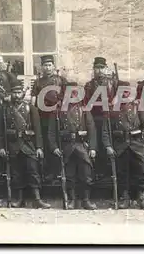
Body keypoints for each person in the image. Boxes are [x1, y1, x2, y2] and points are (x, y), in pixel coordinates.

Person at [102, 82, 144, 210]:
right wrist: (108, 146)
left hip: (137, 144)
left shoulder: (137, 107)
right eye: (122, 91)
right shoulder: (112, 109)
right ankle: (125, 199)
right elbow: (105, 130)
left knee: (141, 172)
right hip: (120, 145)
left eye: (127, 91)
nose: (125, 94)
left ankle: (141, 198)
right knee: (122, 173)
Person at [0, 83, 51, 209]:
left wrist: (39, 147)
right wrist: (1, 146)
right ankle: (19, 199)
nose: (17, 95)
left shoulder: (31, 108)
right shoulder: (5, 110)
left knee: (33, 171)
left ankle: (37, 199)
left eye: (19, 92)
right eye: (14, 93)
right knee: (16, 173)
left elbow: (38, 130)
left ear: (23, 93)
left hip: (29, 145)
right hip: (13, 145)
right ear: (11, 94)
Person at [48, 82, 98, 210]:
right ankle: (71, 200)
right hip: (66, 146)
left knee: (86, 174)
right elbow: (52, 131)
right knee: (69, 176)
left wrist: (92, 147)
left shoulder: (84, 109)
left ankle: (86, 200)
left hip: (82, 146)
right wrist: (54, 147)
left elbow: (91, 129)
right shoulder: (58, 110)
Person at [31, 55, 68, 182]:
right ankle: (49, 172)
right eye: (45, 65)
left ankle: (60, 171)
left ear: (53, 66)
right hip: (43, 117)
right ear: (42, 67)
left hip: (58, 116)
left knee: (58, 142)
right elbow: (34, 99)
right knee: (47, 143)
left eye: (49, 65)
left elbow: (67, 98)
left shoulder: (61, 80)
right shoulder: (38, 82)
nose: (47, 67)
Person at [84, 57, 114, 180]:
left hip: (109, 118)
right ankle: (96, 171)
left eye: (102, 68)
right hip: (94, 118)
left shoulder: (112, 83)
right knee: (95, 144)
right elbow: (86, 103)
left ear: (105, 69)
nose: (99, 70)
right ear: (94, 69)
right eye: (97, 68)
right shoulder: (89, 85)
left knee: (108, 143)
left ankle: (109, 172)